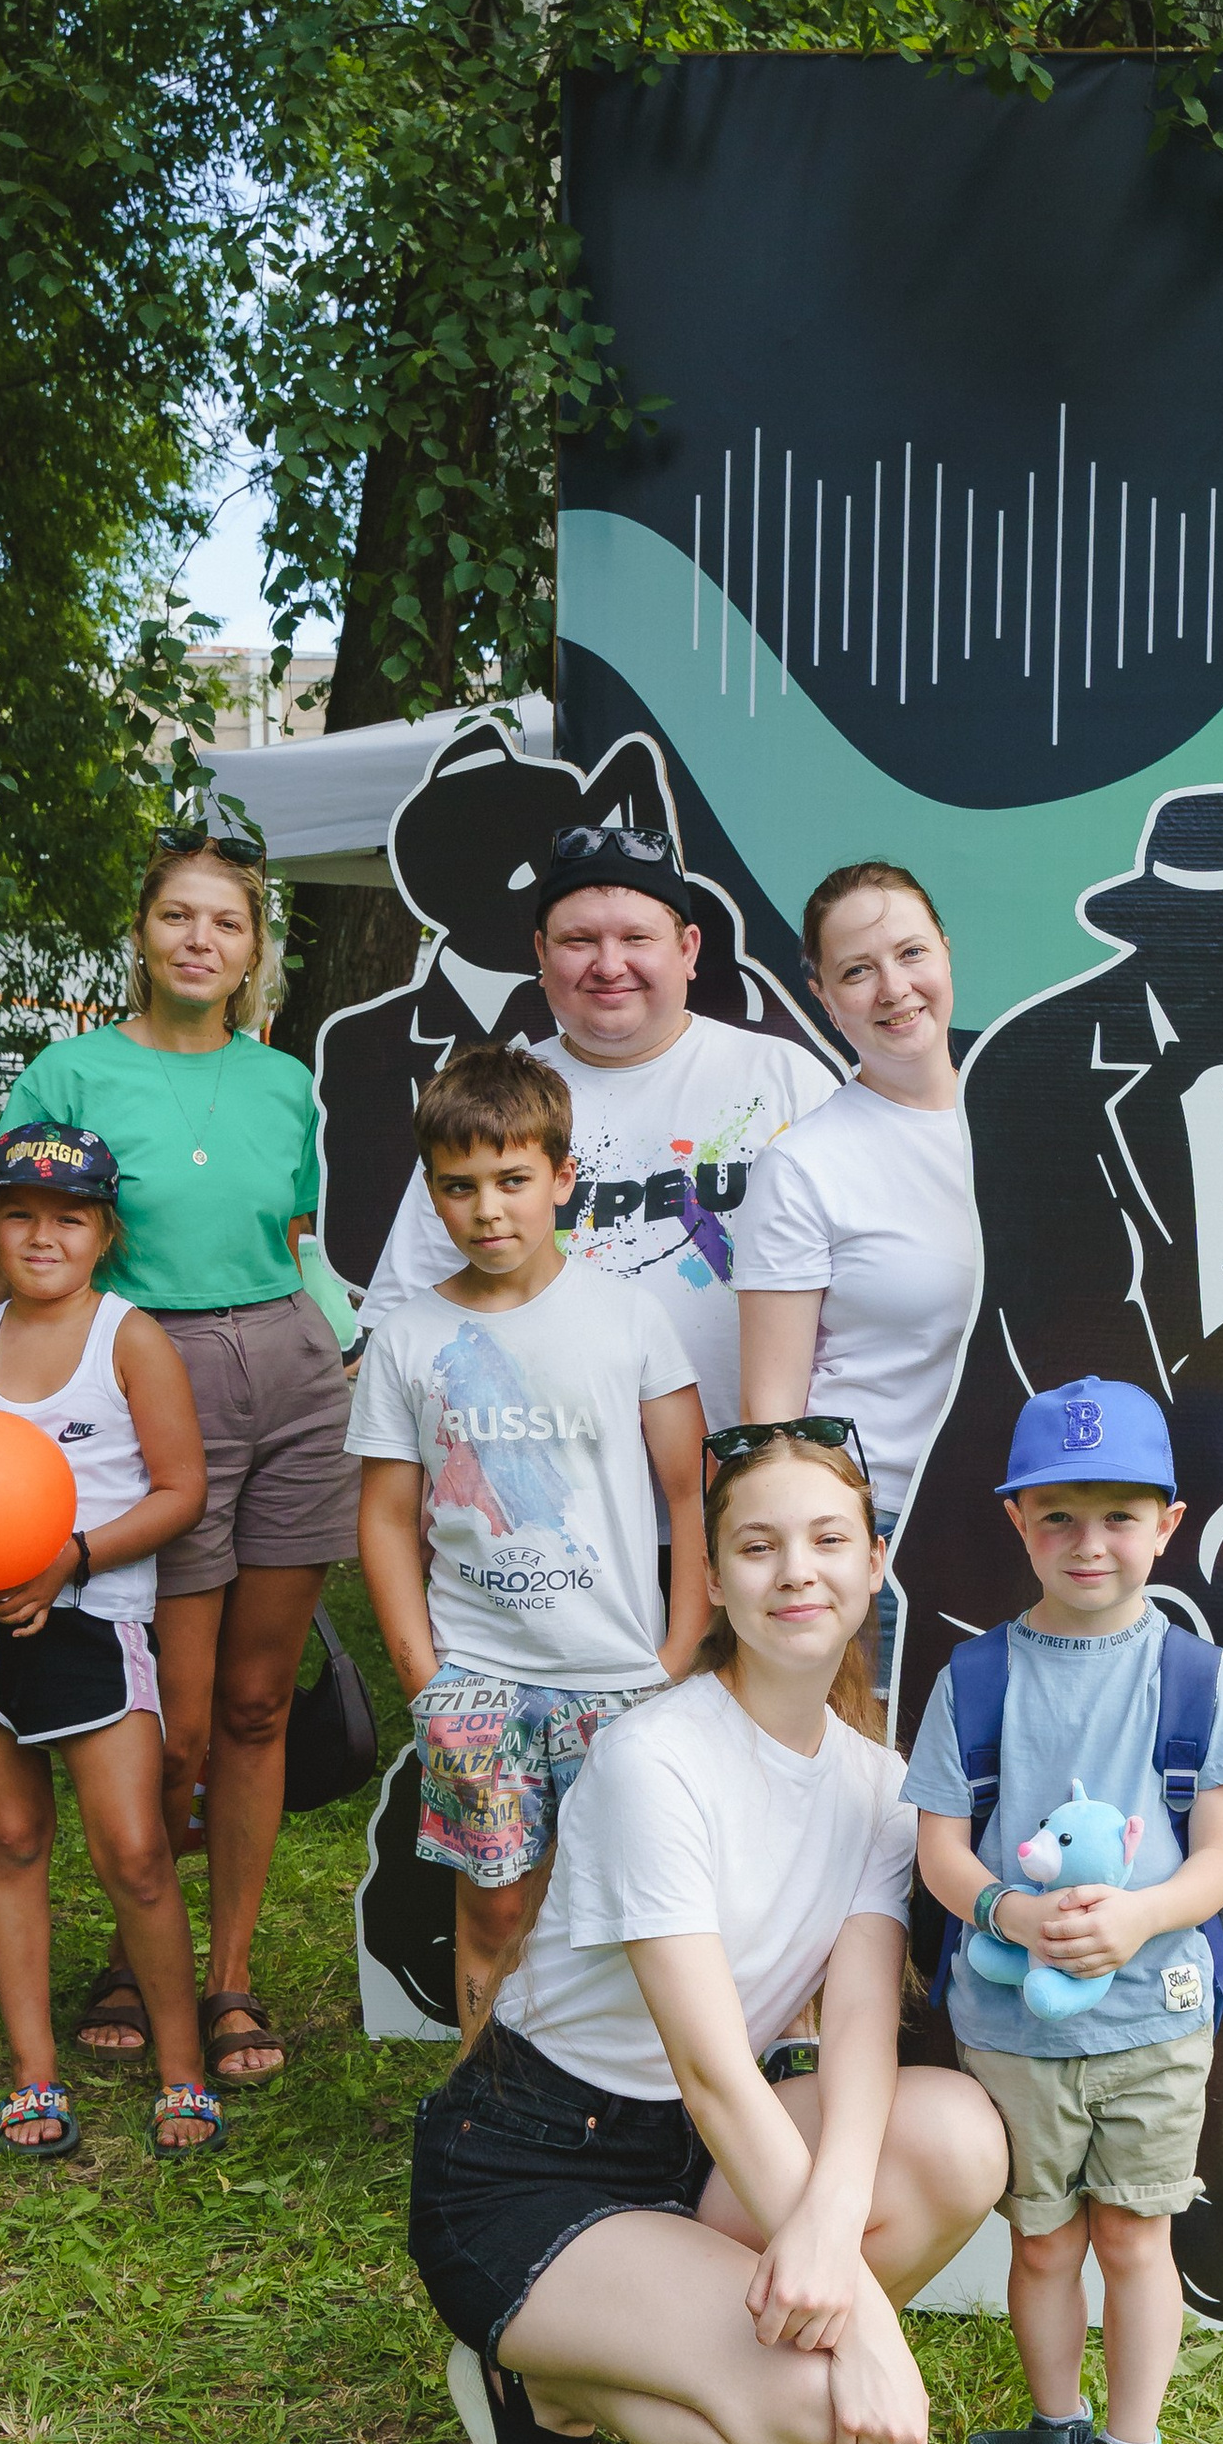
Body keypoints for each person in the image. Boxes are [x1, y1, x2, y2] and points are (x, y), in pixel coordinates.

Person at [406, 1421, 1005, 2444]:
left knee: (959, 2135)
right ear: (716, 1583)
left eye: (828, 1540)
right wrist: (869, 2332)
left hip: (703, 2153)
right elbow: (712, 2063)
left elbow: (861, 2031)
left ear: (872, 1565)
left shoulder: (879, 1784)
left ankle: (715, 2328)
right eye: (758, 1546)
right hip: (533, 2166)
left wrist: (831, 2237)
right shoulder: (657, 1758)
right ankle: (535, 2387)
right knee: (827, 2420)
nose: (796, 1572)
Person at [0, 830, 356, 2092]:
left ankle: (226, 1973)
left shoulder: (282, 1082)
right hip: (149, 1372)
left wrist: (347, 1353)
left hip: (287, 1363)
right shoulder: (72, 1068)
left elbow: (304, 1227)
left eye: (225, 923)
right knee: (167, 1716)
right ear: (144, 932)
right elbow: (14, 1234)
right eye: (177, 917)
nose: (199, 941)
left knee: (261, 1702)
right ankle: (129, 1949)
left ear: (252, 949)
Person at [908, 1375, 1223, 2444]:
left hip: (1155, 2020)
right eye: (1059, 1516)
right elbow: (940, 1851)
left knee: (1133, 2241)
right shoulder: (977, 1680)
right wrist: (1005, 1908)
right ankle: (1056, 2435)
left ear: (1168, 1523)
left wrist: (1139, 1918)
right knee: (1045, 2244)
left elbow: (1220, 1862)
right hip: (1012, 2028)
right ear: (1018, 1523)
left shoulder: (1193, 1681)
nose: (1089, 1543)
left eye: (1119, 1515)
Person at [349, 1045, 713, 2042]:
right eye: (459, 1187)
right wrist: (426, 1673)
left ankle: (624, 2112)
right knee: (495, 1906)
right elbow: (384, 1518)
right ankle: (485, 2112)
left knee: (625, 1912)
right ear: (432, 1193)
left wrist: (671, 1660)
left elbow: (692, 1501)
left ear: (561, 1177)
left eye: (512, 1180)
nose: (488, 1210)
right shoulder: (409, 1338)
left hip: (617, 1678)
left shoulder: (629, 1319)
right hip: (477, 1677)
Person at [0, 1125, 221, 2161]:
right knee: (11, 1840)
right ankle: (34, 2070)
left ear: (105, 1233)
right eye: (19, 1215)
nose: (43, 1236)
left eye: (68, 1218)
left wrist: (71, 1560)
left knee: (132, 1849)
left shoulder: (129, 1338)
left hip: (91, 1618)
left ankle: (182, 2070)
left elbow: (182, 1491)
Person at [360, 824, 839, 1488]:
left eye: (636, 938)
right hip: (550, 1513)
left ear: (688, 949)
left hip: (757, 1496)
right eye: (580, 940)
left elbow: (863, 1291)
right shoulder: (498, 1097)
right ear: (542, 953)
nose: (609, 964)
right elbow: (405, 1313)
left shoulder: (786, 1080)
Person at [735, 863, 980, 1678]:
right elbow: (773, 1420)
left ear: (946, 950)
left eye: (911, 952)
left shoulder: (1039, 1108)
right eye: (857, 971)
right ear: (823, 997)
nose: (893, 988)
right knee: (876, 1800)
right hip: (884, 1542)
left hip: (1039, 1519)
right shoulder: (804, 1167)